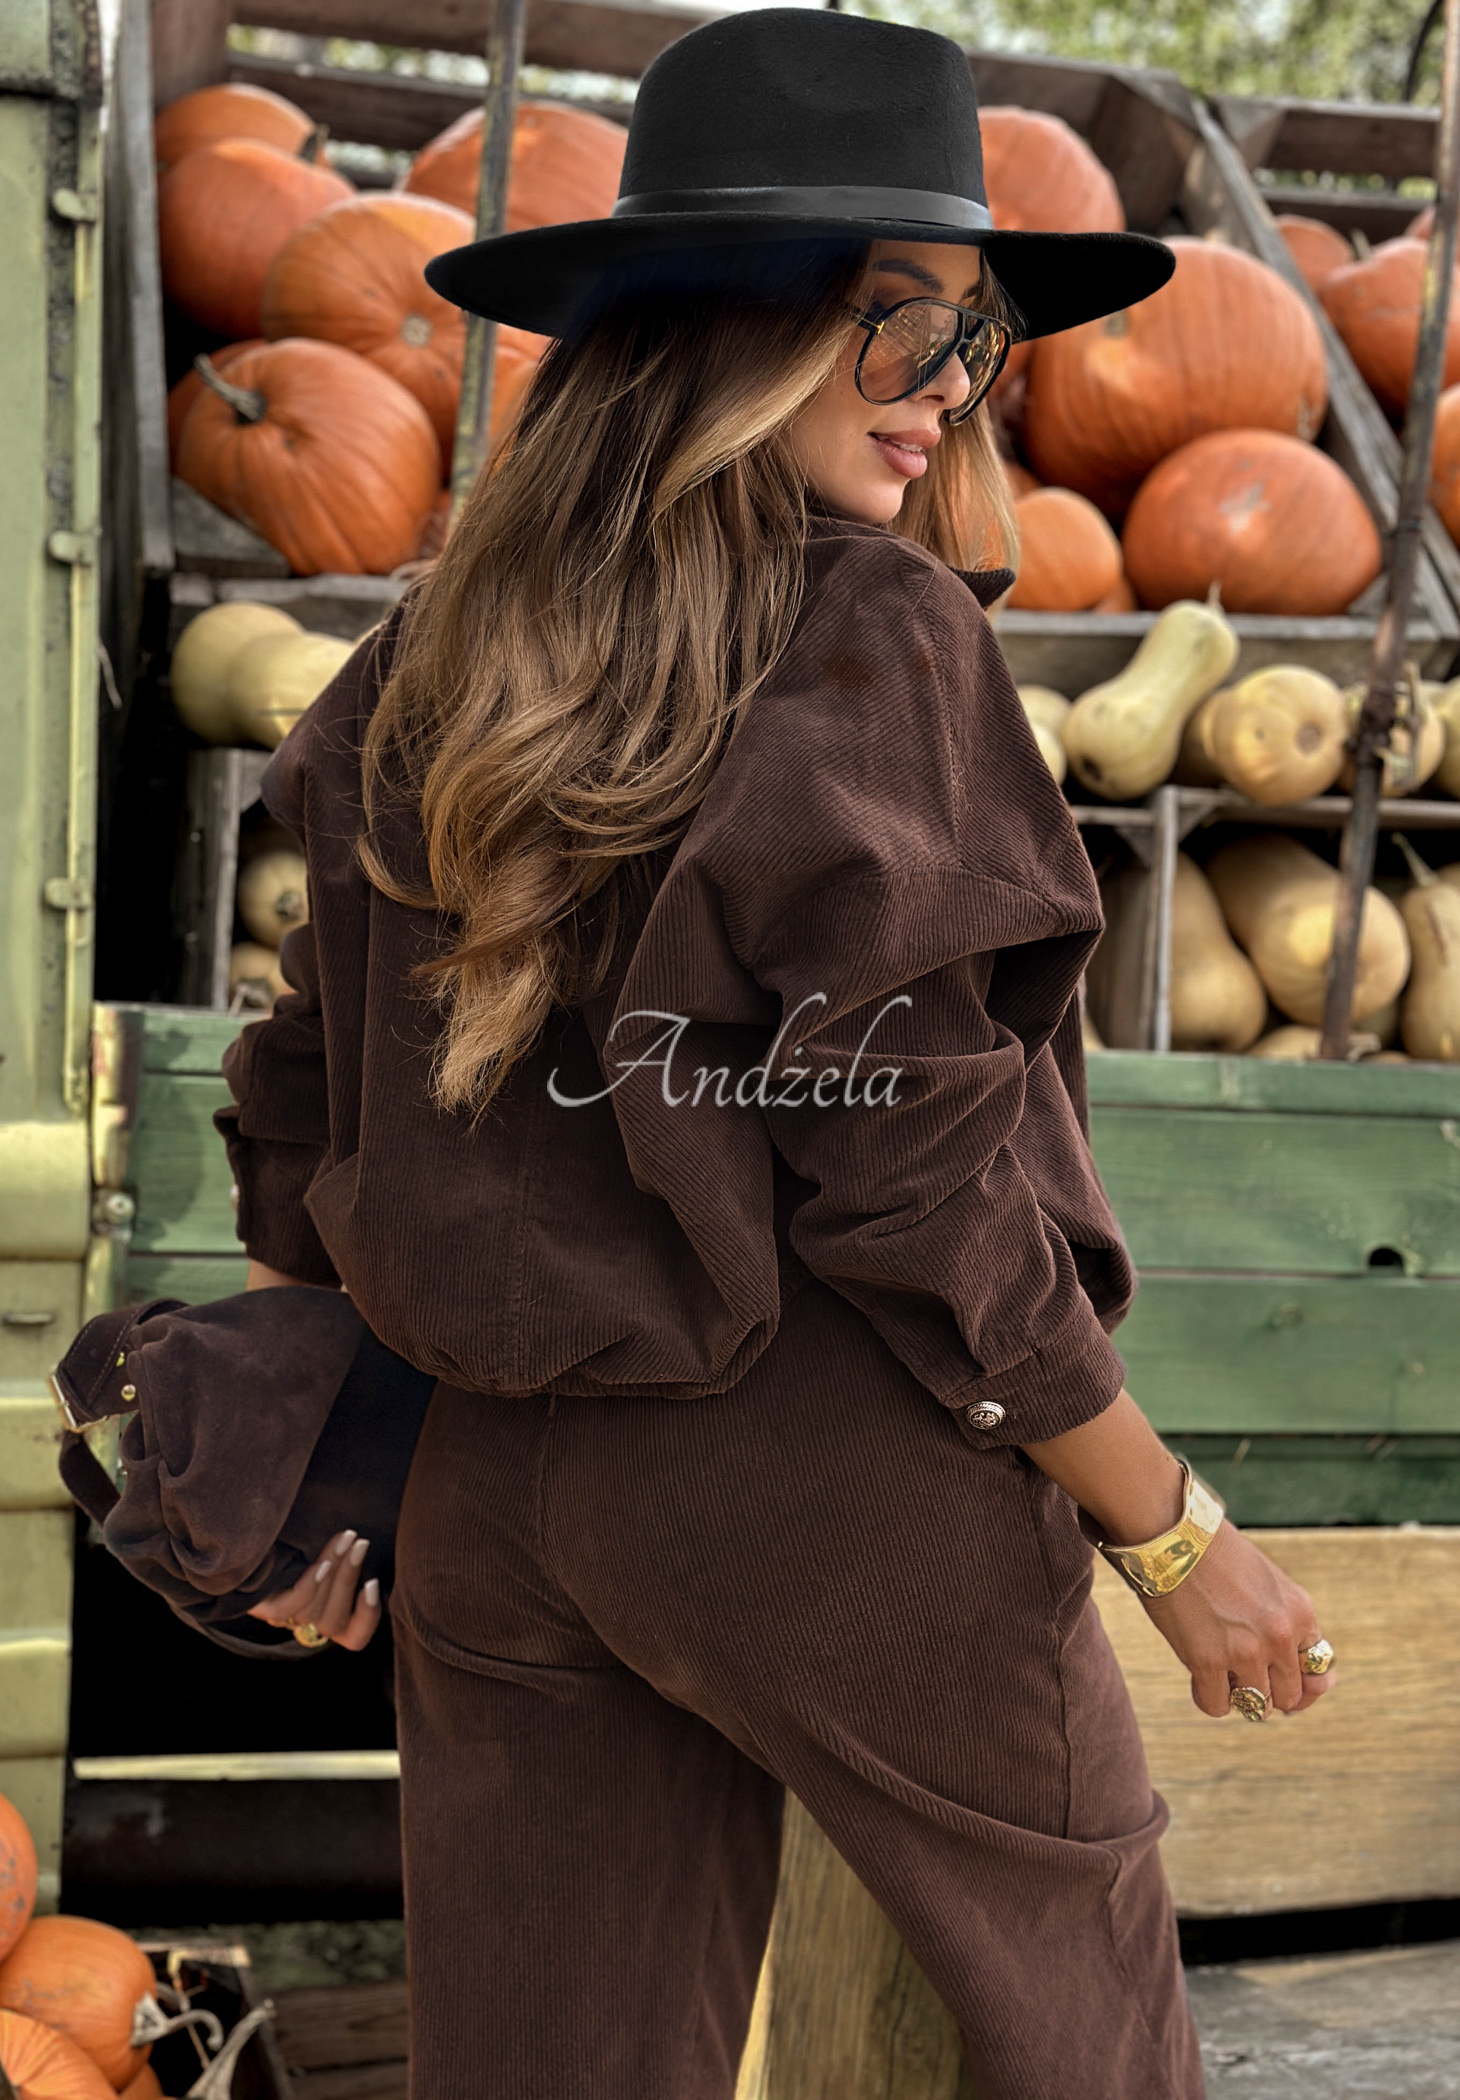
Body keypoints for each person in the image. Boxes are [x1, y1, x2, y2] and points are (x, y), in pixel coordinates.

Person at [225, 12, 1336, 2097]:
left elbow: (306, 1075)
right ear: (731, 322)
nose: (950, 391)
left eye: (976, 341)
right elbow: (916, 1160)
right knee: (1089, 2042)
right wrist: (1173, 1534)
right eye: (901, 326)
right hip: (829, 1483)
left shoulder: (422, 650)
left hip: (497, 1498)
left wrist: (312, 1435)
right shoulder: (871, 637)